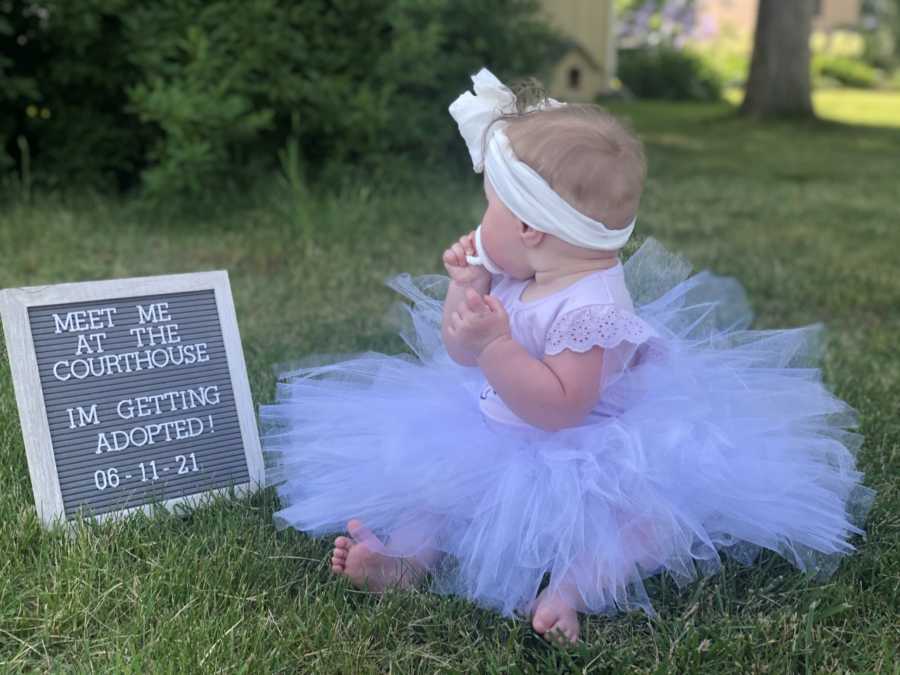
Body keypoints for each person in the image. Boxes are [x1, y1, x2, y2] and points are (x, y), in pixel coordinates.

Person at [258, 68, 874, 646]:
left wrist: (496, 345)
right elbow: (457, 348)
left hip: (597, 450)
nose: (481, 223)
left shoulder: (591, 313)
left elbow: (560, 408)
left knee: (640, 528)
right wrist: (465, 287)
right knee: (434, 488)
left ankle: (572, 592)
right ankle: (406, 560)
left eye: (490, 208)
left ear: (530, 226)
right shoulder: (520, 269)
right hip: (495, 427)